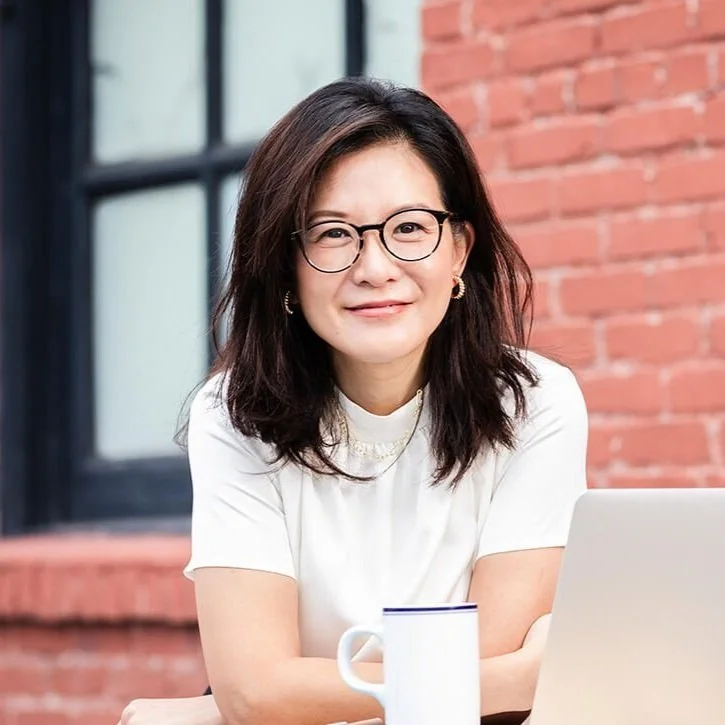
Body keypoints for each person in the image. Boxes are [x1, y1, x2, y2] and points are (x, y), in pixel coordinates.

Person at [118, 77, 588, 725]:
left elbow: (486, 673)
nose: (375, 266)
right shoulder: (233, 413)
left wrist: (242, 704)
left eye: (410, 227)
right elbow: (256, 692)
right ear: (285, 266)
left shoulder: (535, 404)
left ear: (458, 251)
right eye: (334, 234)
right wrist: (506, 677)